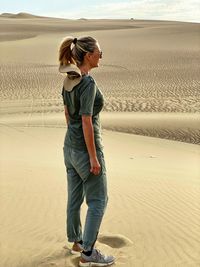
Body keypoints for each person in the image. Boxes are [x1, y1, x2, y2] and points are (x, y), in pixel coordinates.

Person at [59, 36, 115, 267]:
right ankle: (89, 252)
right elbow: (86, 122)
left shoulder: (70, 80)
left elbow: (66, 114)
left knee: (74, 197)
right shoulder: (88, 83)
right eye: (100, 53)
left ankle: (76, 241)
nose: (101, 57)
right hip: (85, 151)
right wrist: (92, 156)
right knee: (98, 200)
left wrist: (76, 145)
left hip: (69, 149)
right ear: (89, 55)